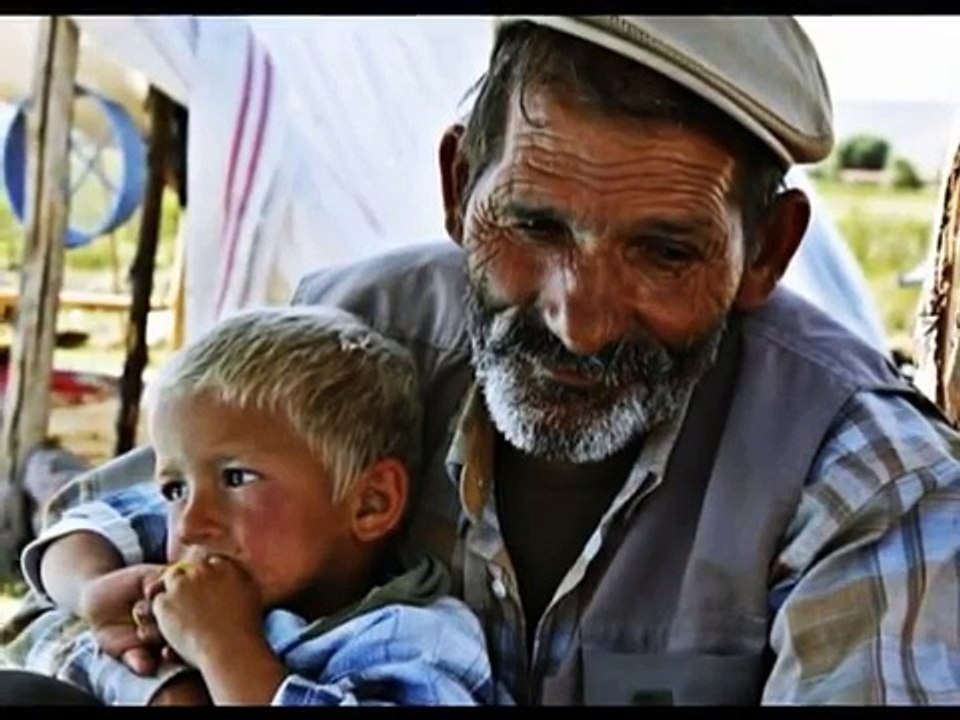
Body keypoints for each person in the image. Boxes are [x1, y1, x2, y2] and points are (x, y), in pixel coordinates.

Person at [4, 15, 960, 705]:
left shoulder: (861, 472)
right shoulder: (351, 335)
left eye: (664, 251)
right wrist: (160, 660)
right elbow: (102, 553)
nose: (579, 320)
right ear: (460, 186)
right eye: (535, 224)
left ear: (770, 253)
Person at [2, 307, 495, 706]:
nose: (190, 522)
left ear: (370, 503)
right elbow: (80, 531)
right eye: (174, 488)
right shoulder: (208, 541)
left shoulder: (416, 640)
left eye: (237, 478)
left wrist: (224, 650)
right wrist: (94, 589)